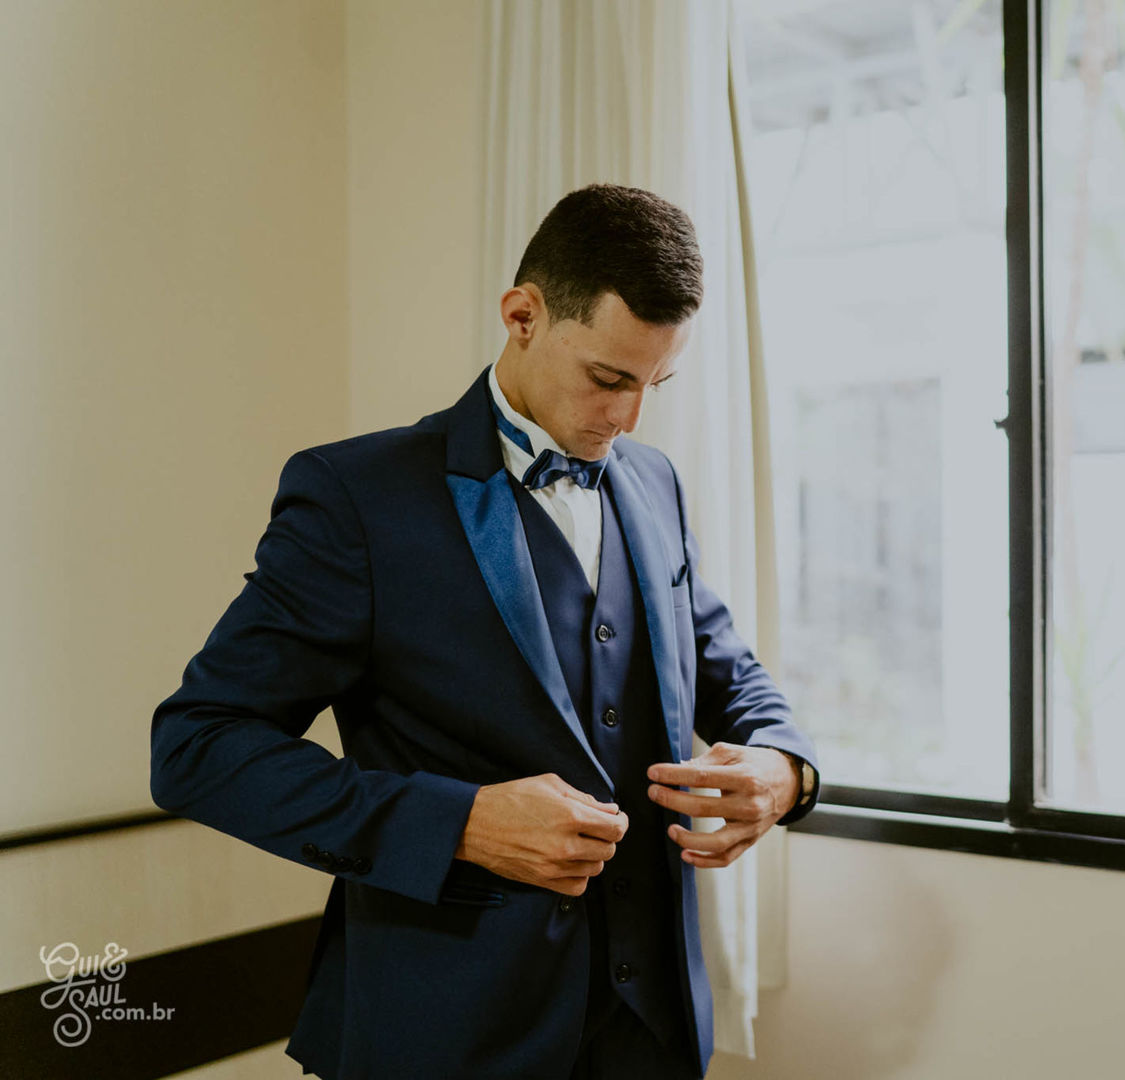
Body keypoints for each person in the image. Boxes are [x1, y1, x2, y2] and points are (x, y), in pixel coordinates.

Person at [149, 183, 819, 1080]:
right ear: (522, 315)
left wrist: (786, 769)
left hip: (651, 1035)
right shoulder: (358, 499)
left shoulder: (652, 481)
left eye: (655, 384)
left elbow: (727, 672)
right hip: (445, 1035)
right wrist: (456, 822)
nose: (627, 420)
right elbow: (198, 746)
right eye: (608, 378)